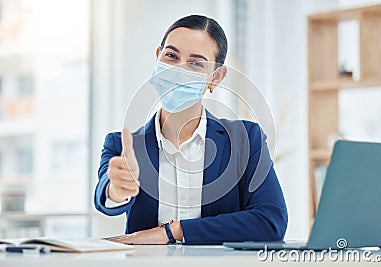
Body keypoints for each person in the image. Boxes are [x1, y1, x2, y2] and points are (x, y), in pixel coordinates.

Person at [94, 14, 288, 245]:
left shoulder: (245, 140)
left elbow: (271, 222)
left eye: (196, 63)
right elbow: (106, 197)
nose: (178, 70)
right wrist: (118, 189)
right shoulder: (123, 144)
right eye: (171, 56)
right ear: (158, 57)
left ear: (215, 77)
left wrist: (173, 231)